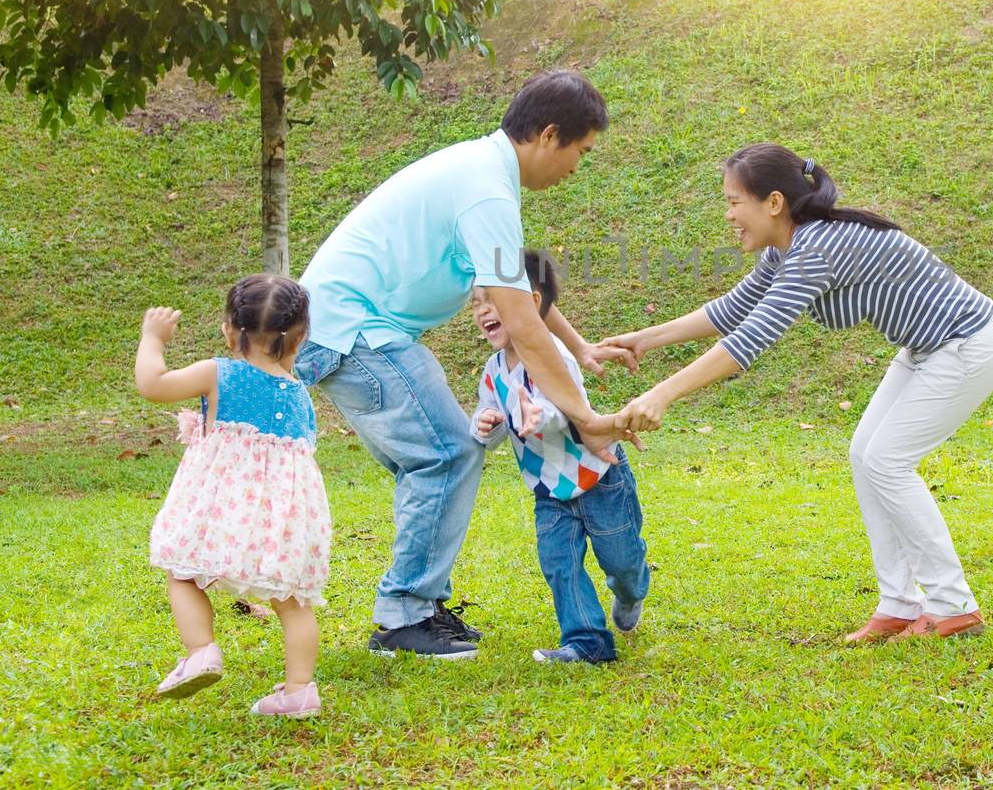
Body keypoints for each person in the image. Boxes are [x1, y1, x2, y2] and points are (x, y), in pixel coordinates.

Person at [604, 143, 993, 643]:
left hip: (967, 343)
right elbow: (735, 310)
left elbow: (750, 340)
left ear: (773, 202)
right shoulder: (786, 248)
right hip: (928, 348)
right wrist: (644, 339)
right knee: (866, 455)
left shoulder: (816, 249)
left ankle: (952, 604)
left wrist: (663, 393)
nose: (728, 214)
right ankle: (901, 604)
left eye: (735, 202)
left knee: (886, 460)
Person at [295, 69, 635, 660]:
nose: (577, 167)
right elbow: (520, 323)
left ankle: (416, 607)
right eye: (580, 151)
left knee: (433, 460)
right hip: (352, 331)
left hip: (348, 329)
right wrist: (586, 419)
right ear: (549, 135)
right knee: (448, 452)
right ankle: (404, 615)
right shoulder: (487, 190)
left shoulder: (482, 174)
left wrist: (579, 348)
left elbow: (518, 293)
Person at [136, 274, 331, 718]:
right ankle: (299, 691)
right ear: (299, 339)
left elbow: (153, 385)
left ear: (229, 329)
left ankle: (201, 651)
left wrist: (153, 338)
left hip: (221, 504)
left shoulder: (217, 373)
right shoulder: (300, 395)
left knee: (183, 571)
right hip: (284, 515)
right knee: (293, 601)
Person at [470, 250, 650, 664]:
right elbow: (490, 418)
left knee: (621, 561)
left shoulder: (555, 354)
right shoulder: (493, 370)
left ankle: (633, 588)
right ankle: (587, 642)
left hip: (598, 476)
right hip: (548, 488)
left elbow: (567, 408)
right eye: (476, 304)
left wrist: (538, 414)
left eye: (492, 300)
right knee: (559, 564)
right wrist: (486, 421)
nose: (483, 312)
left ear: (531, 304)